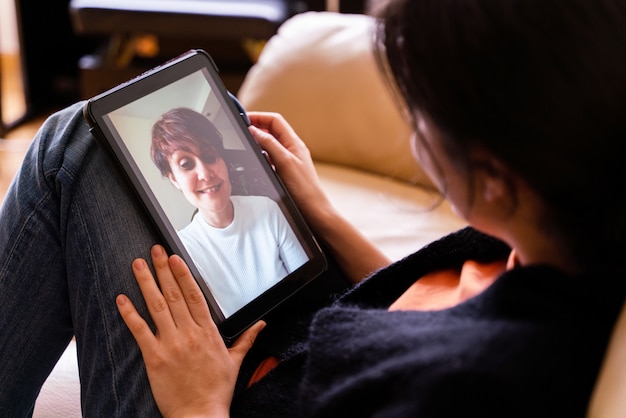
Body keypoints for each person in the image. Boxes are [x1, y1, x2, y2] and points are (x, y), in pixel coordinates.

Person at [0, 0, 625, 416]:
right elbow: (439, 310)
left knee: (73, 144)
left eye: (420, 109)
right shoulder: (571, 234)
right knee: (228, 118)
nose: (411, 120)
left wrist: (199, 407)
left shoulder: (478, 384)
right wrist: (320, 214)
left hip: (220, 398)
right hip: (287, 327)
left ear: (494, 180)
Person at [149, 107, 308, 316]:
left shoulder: (266, 207)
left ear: (223, 161)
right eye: (186, 164)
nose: (205, 174)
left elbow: (307, 285)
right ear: (173, 179)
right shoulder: (182, 249)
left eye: (209, 156)